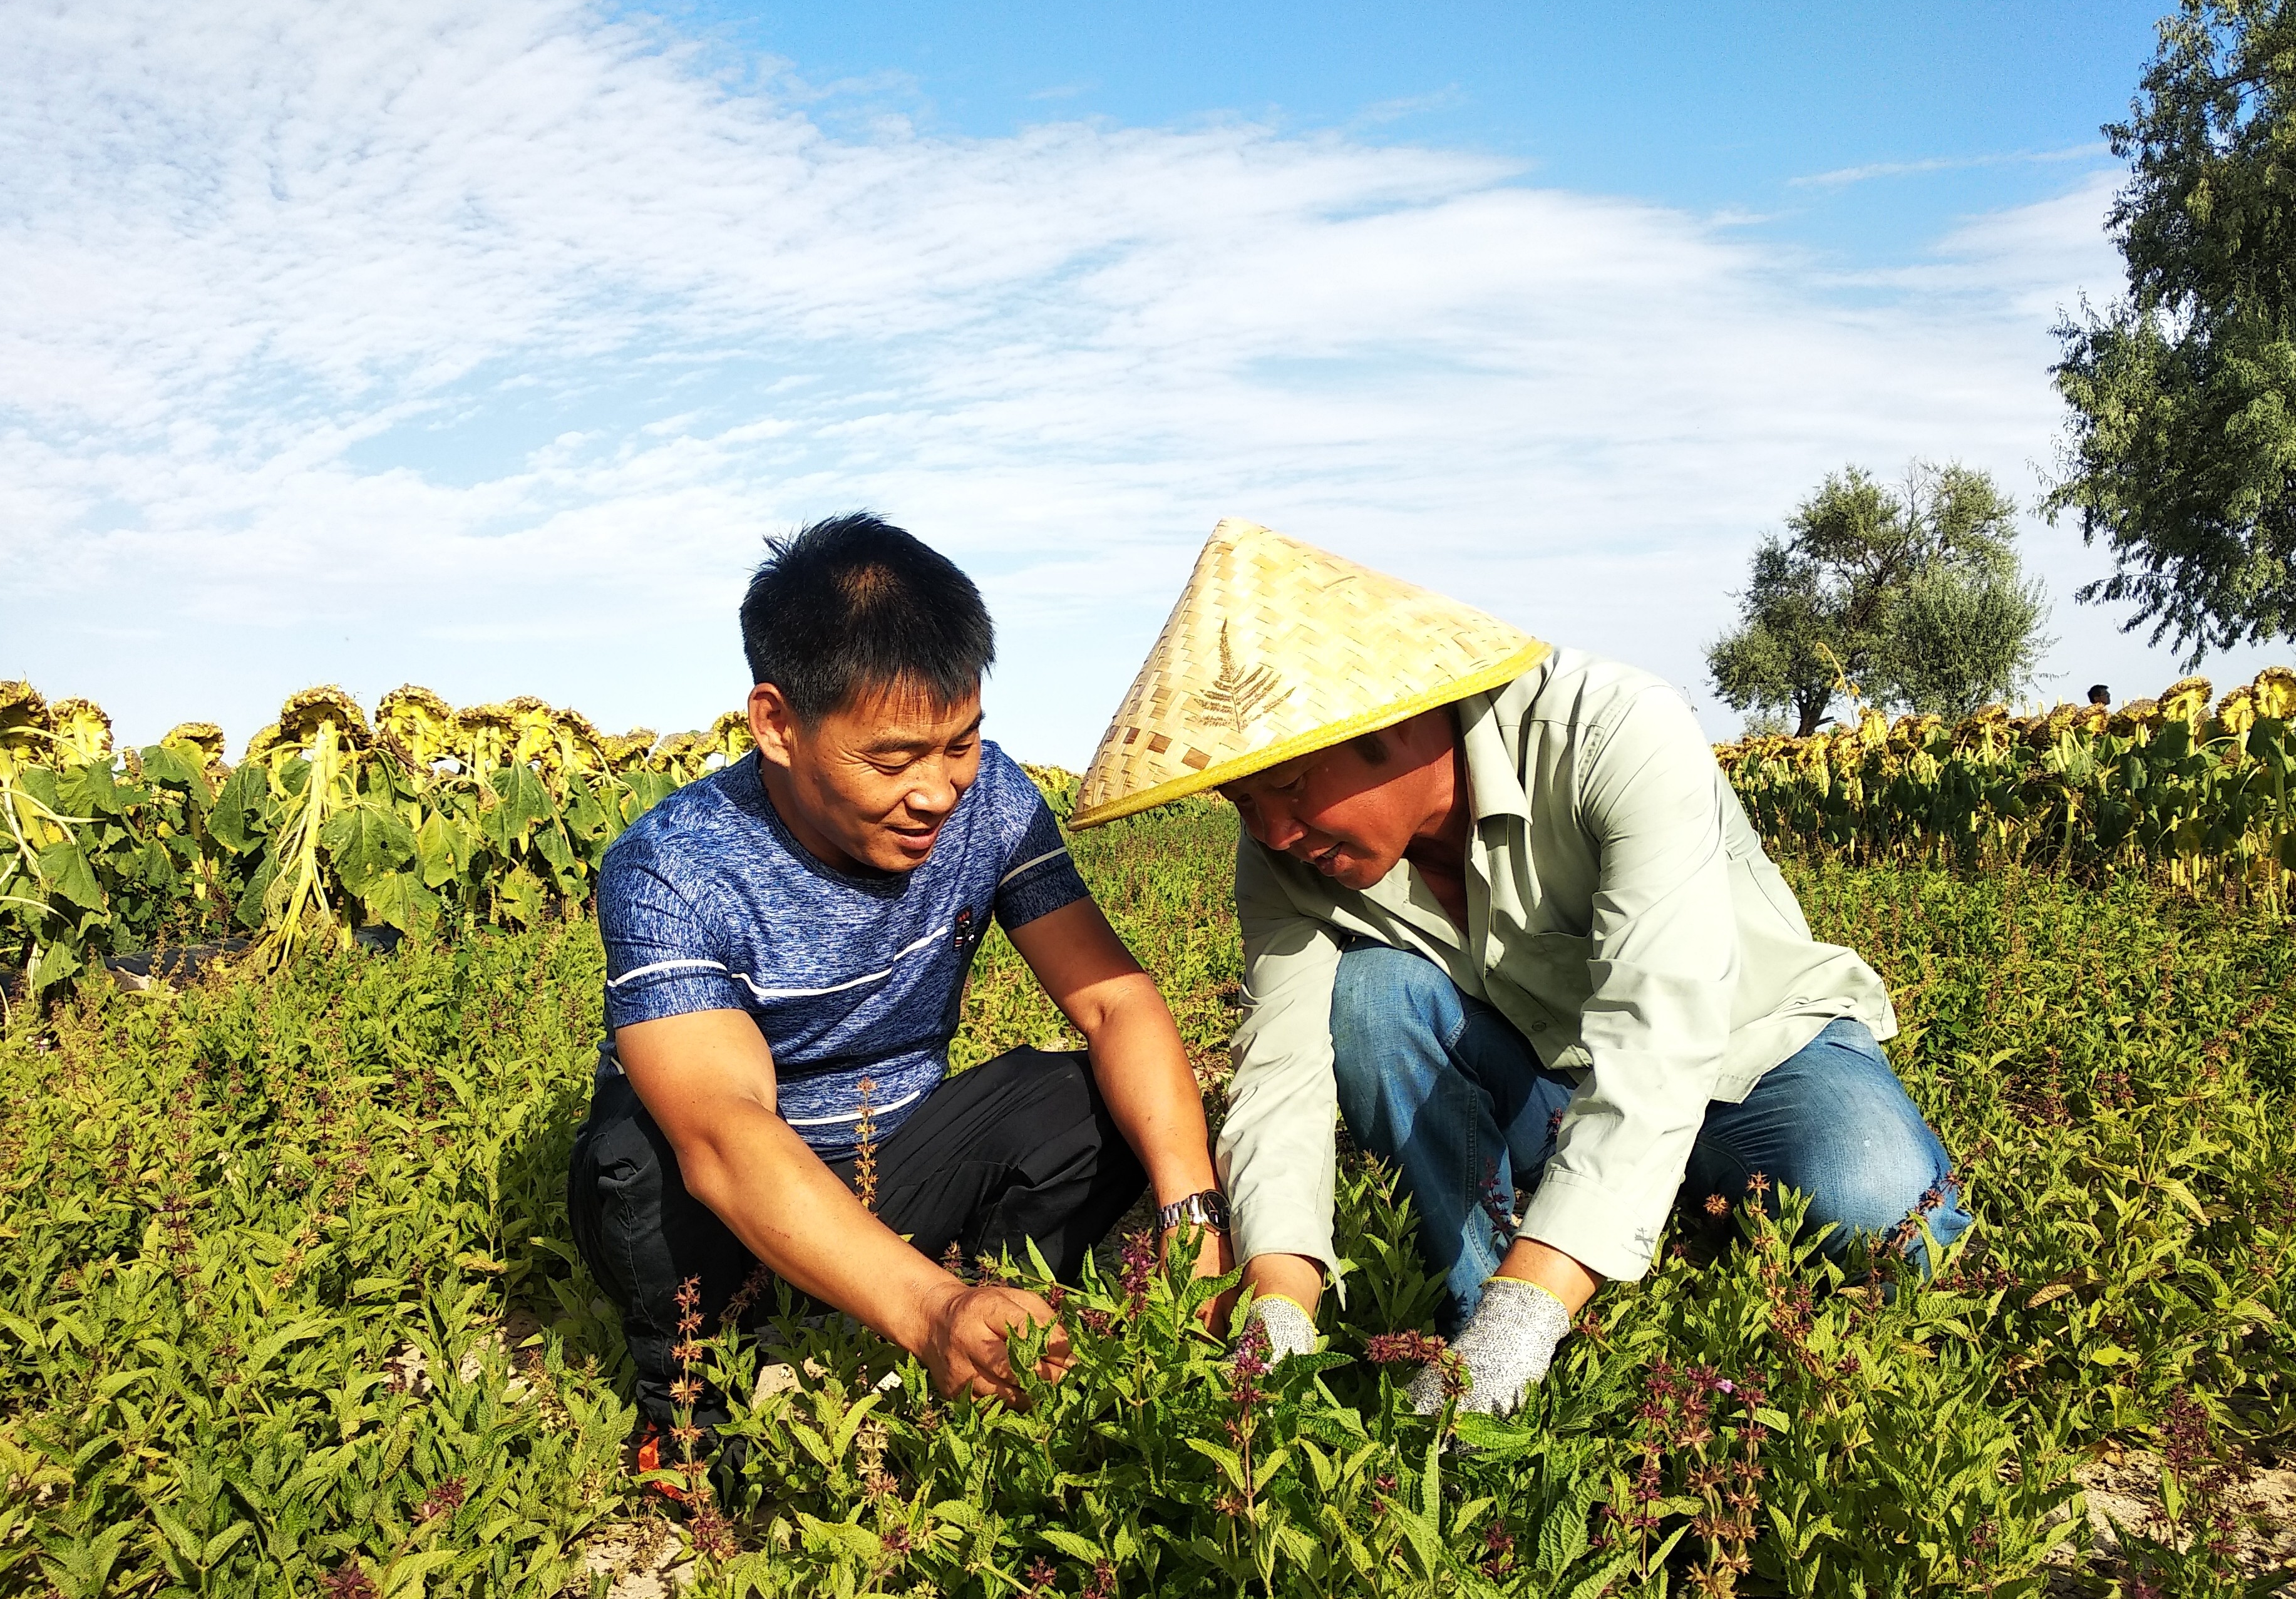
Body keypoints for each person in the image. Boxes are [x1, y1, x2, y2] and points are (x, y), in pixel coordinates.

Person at [1068, 518, 1972, 1415]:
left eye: (1290, 786)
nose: (1271, 832)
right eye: (1243, 800)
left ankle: (1551, 1294)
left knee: (1882, 1206)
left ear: (1398, 716)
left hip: (1755, 1052)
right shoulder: (1284, 858)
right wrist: (1279, 1304)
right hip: (1554, 1081)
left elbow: (1660, 1032)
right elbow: (1281, 1078)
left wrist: (1528, 1318)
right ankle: (1485, 1325)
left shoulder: (1615, 730)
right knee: (1374, 999)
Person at [569, 513, 1225, 1467]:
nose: (938, 790)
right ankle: (692, 1415)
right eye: (892, 759)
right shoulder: (674, 867)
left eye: (959, 743)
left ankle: (996, 1321)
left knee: (1090, 1101)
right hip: (732, 1194)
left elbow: (1113, 1002)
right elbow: (721, 1130)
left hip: (897, 1156)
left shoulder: (991, 801)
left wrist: (1191, 1210)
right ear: (778, 724)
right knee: (641, 1159)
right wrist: (931, 1312)